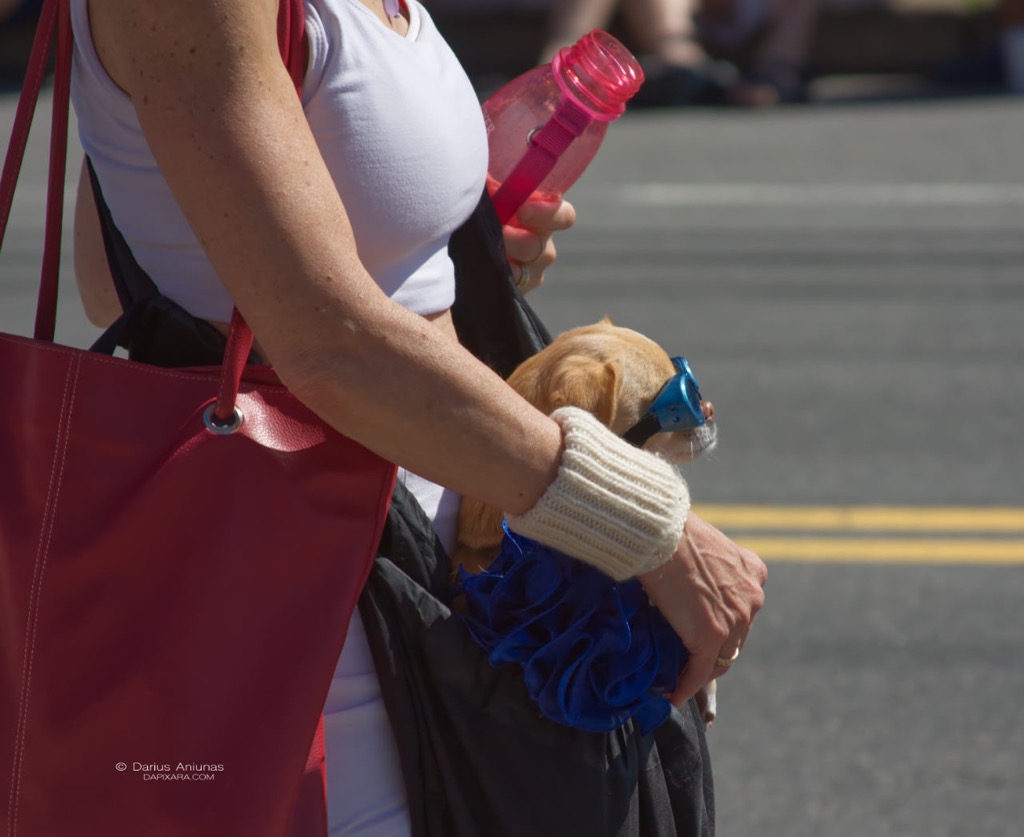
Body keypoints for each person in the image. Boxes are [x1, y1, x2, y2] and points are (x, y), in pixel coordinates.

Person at [69, 0, 767, 833]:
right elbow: (332, 343)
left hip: (431, 561)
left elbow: (133, 259)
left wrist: (441, 252)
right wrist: (647, 528)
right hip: (313, 604)